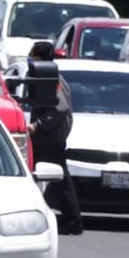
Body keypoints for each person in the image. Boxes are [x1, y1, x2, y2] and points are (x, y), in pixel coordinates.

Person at [26, 40, 83, 235]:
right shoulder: (46, 76)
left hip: (50, 138)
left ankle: (73, 221)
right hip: (47, 137)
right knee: (55, 178)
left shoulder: (52, 79)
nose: (30, 59)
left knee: (60, 179)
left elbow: (60, 108)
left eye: (32, 56)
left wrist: (38, 125)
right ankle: (68, 218)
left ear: (40, 58)